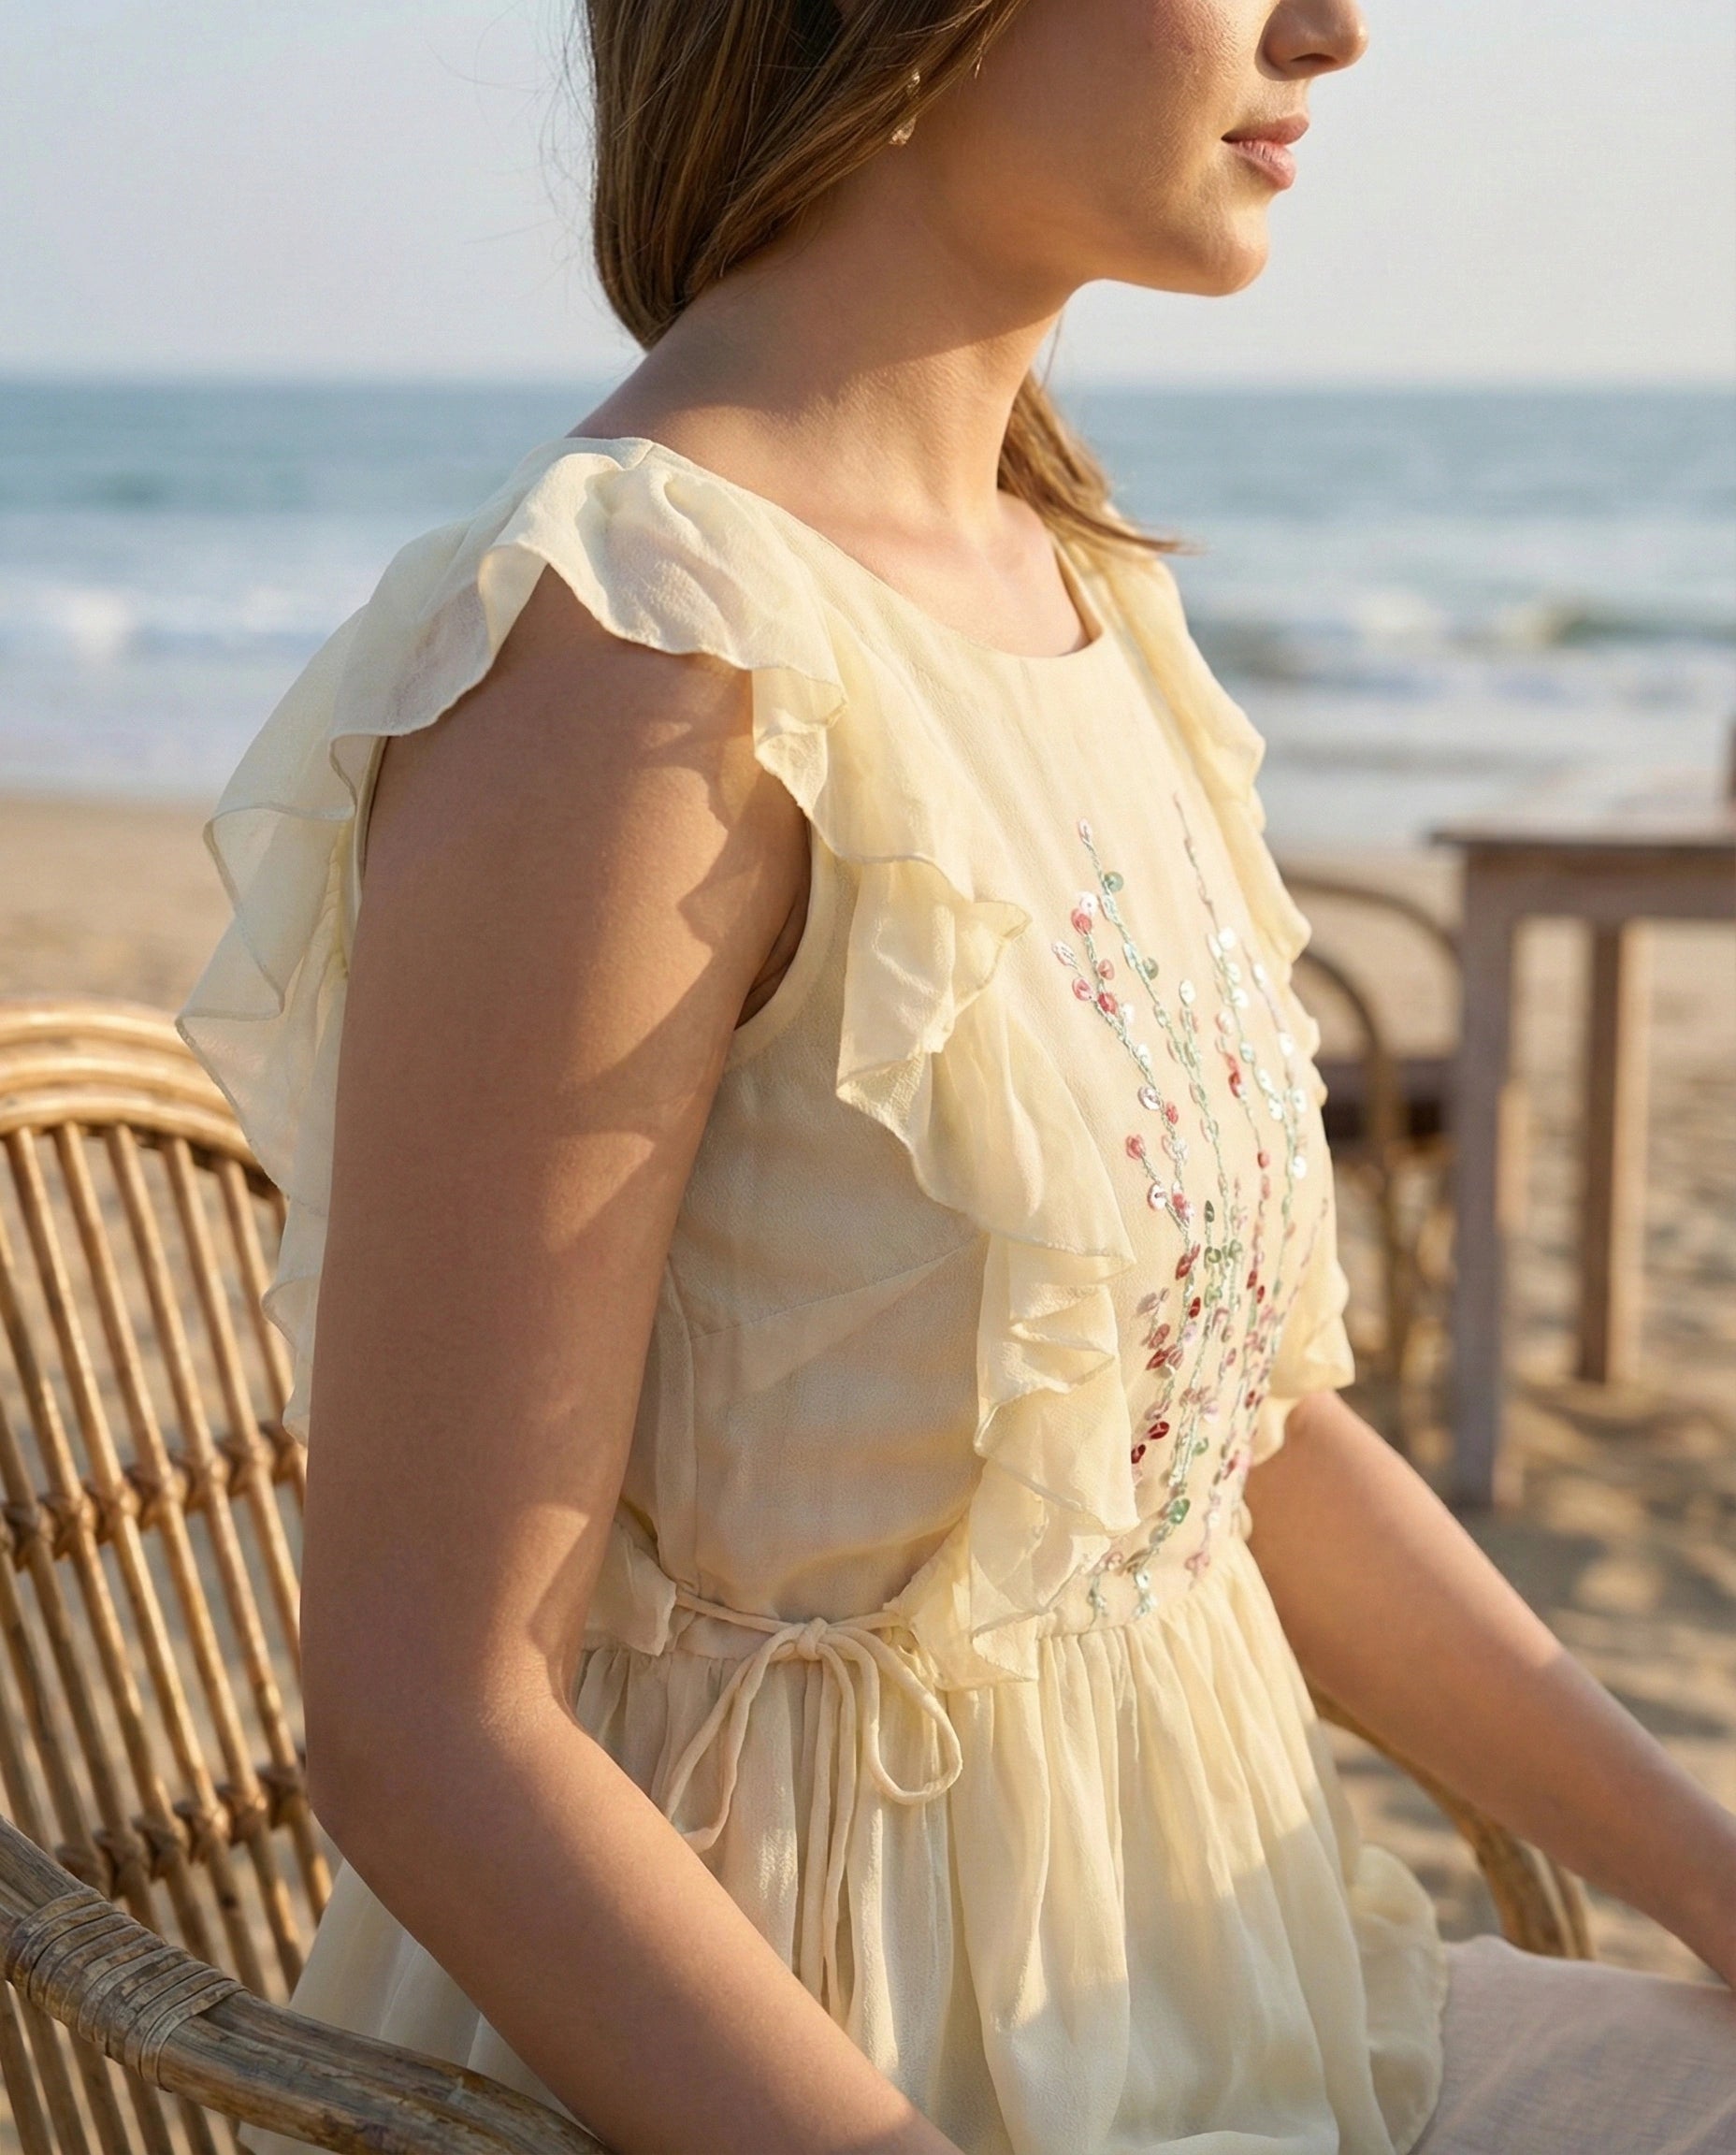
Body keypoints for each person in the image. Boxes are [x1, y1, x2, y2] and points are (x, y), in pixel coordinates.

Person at [180, 3, 1736, 2150]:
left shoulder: (1073, 591)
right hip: (828, 2057)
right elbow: (426, 1721)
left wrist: (1709, 1881)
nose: (1335, 27)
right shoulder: (640, 654)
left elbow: (1230, 1443)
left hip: (1247, 1999)